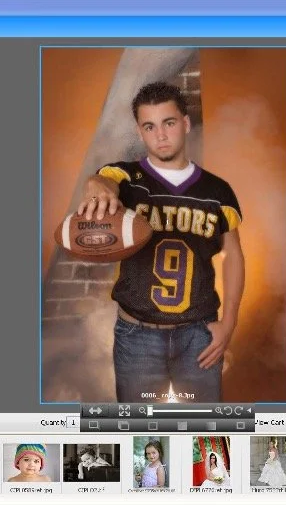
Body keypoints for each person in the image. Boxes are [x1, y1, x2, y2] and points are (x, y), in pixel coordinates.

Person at [77, 81, 246, 403]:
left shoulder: (218, 190)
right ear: (140, 133)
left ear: (184, 123)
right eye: (149, 126)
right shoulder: (125, 179)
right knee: (136, 427)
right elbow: (102, 180)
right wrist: (95, 186)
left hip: (199, 333)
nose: (161, 135)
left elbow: (234, 254)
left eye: (168, 123)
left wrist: (230, 322)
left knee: (202, 424)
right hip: (135, 333)